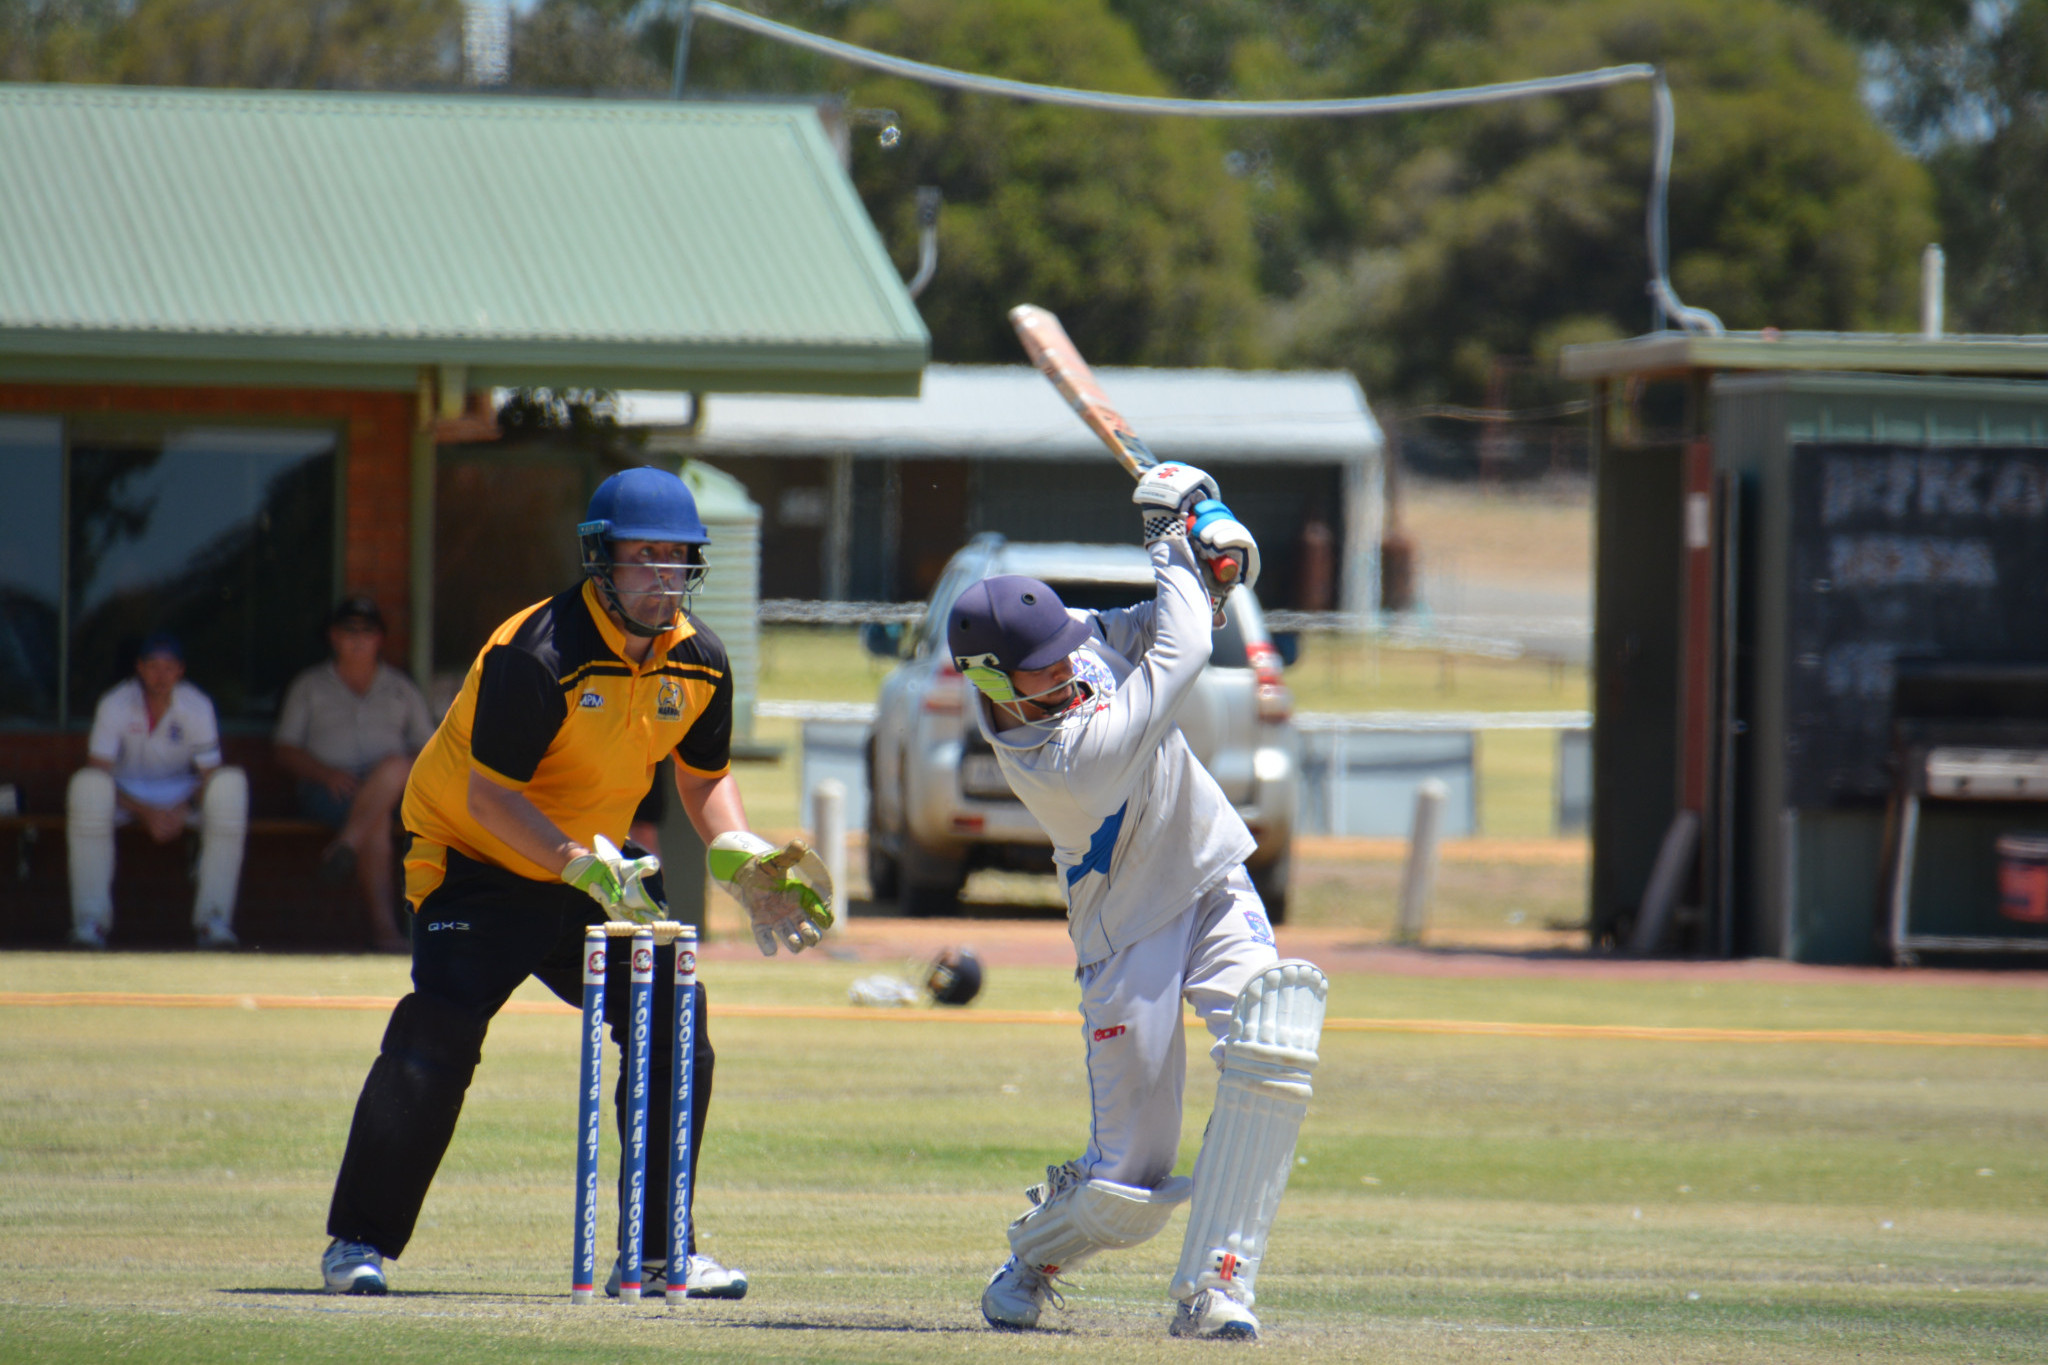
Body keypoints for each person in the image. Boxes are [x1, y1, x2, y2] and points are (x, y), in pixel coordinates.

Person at [319, 465, 832, 1297]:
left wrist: (739, 853)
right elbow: (491, 794)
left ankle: (663, 1249)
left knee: (674, 1019)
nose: (663, 576)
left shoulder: (699, 659)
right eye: (644, 556)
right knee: (441, 1027)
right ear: (600, 559)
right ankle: (358, 1243)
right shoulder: (539, 653)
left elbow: (702, 778)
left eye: (678, 556)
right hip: (472, 856)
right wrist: (575, 861)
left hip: (594, 869)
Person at [951, 465, 1327, 1342]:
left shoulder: (1065, 649)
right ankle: (1034, 1256)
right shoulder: (1062, 758)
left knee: (1273, 1049)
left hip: (1212, 873)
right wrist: (1169, 538)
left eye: (1062, 656)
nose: (1069, 674)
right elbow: (1182, 654)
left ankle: (1217, 1287)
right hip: (1130, 931)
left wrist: (1211, 565)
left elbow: (1155, 625)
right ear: (996, 684)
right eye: (1042, 672)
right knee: (1130, 1184)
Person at [66, 632, 247, 950]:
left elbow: (210, 776)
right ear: (139, 668)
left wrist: (181, 808)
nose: (160, 675)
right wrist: (145, 812)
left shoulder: (197, 705)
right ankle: (90, 922)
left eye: (168, 667)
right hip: (124, 792)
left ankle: (213, 922)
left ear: (180, 671)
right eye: (152, 666)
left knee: (231, 785)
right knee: (87, 787)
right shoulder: (115, 703)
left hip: (180, 792)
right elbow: (100, 774)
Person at [275, 596, 434, 952]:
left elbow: (429, 748)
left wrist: (388, 776)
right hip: (327, 793)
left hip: (392, 794)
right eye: (349, 631)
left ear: (380, 639)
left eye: (368, 631)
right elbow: (284, 749)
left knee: (396, 767)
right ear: (333, 636)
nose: (358, 639)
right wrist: (326, 774)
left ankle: (346, 845)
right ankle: (385, 933)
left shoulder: (401, 687)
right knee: (374, 821)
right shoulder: (309, 685)